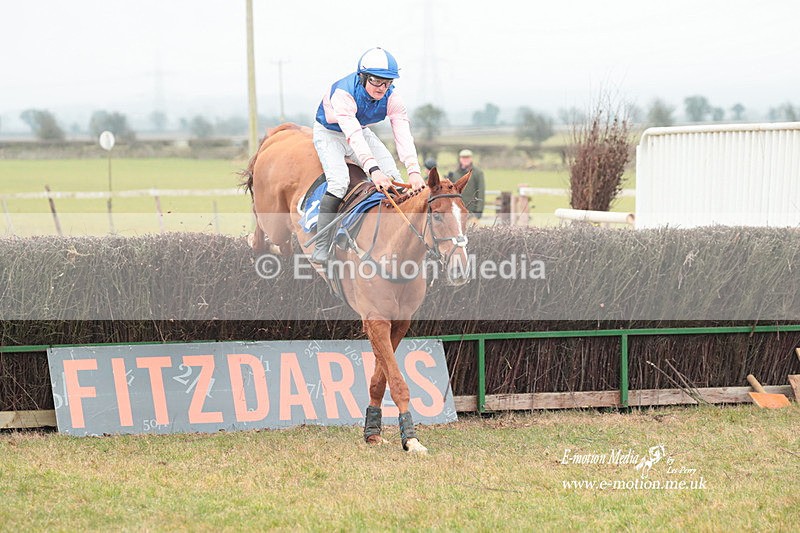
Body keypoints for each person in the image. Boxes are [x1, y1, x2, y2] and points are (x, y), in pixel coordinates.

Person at [311, 47, 426, 264]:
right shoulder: (343, 93)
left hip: (360, 129)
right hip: (330, 134)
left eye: (388, 82)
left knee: (395, 177)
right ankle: (322, 244)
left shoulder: (393, 98)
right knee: (338, 183)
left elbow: (402, 133)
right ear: (362, 77)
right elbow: (351, 134)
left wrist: (414, 171)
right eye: (376, 81)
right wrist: (373, 170)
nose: (382, 88)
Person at [450, 149, 485, 223]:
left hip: (472, 212)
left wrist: (479, 211)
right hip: (458, 211)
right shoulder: (455, 173)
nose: (465, 160)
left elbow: (481, 191)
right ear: (460, 159)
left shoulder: (478, 173)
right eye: (463, 158)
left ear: (471, 159)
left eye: (467, 158)